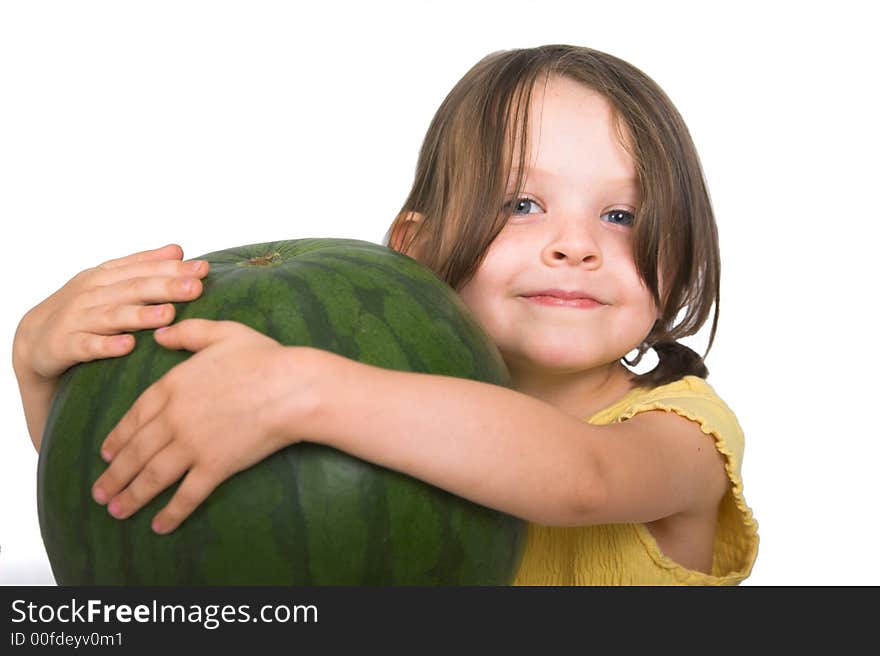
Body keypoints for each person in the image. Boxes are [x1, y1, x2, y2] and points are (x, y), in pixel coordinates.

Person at [13, 44, 759, 585]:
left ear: (682, 256)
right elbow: (148, 535)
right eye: (523, 205)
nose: (576, 245)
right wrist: (40, 369)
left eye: (622, 214)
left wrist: (301, 389)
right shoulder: (365, 410)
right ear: (415, 248)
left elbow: (584, 480)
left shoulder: (687, 436)